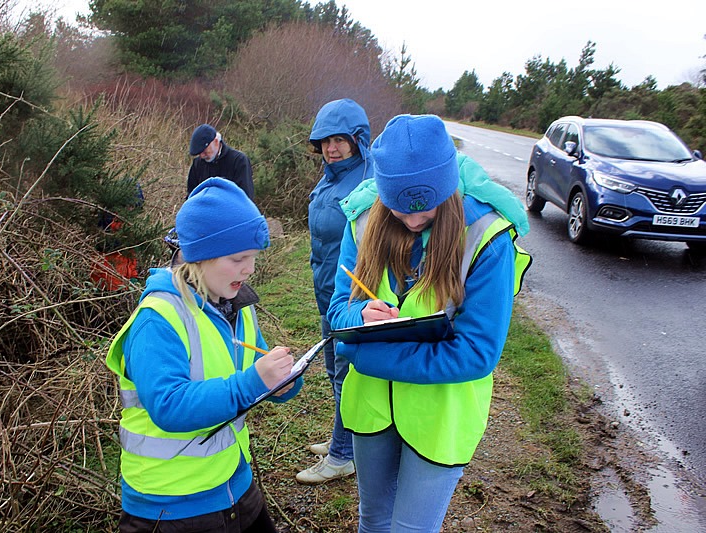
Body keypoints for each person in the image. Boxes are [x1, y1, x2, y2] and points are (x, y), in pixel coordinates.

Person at [327, 114, 531, 531]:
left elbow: (477, 353)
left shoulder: (488, 237)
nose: (414, 220)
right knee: (373, 522)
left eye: (427, 208)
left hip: (440, 419)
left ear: (448, 185)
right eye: (400, 208)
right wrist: (358, 315)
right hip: (371, 411)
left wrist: (368, 358)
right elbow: (337, 313)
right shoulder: (363, 220)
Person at [106, 177, 301, 532]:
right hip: (170, 508)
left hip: (234, 484)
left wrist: (281, 381)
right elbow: (169, 406)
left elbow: (250, 374)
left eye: (254, 258)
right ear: (201, 256)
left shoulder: (236, 305)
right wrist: (252, 382)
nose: (250, 269)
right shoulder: (157, 319)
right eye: (239, 258)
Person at [296, 98, 372, 484]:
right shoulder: (331, 177)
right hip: (325, 289)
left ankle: (344, 455)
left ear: (358, 139)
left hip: (352, 297)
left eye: (340, 139)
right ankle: (342, 438)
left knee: (346, 373)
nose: (331, 148)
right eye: (325, 141)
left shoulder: (366, 180)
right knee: (333, 369)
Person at [188, 124, 254, 200]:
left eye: (205, 151)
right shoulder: (197, 164)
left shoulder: (239, 161)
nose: (202, 156)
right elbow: (191, 197)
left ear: (216, 142)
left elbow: (246, 198)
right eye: (199, 153)